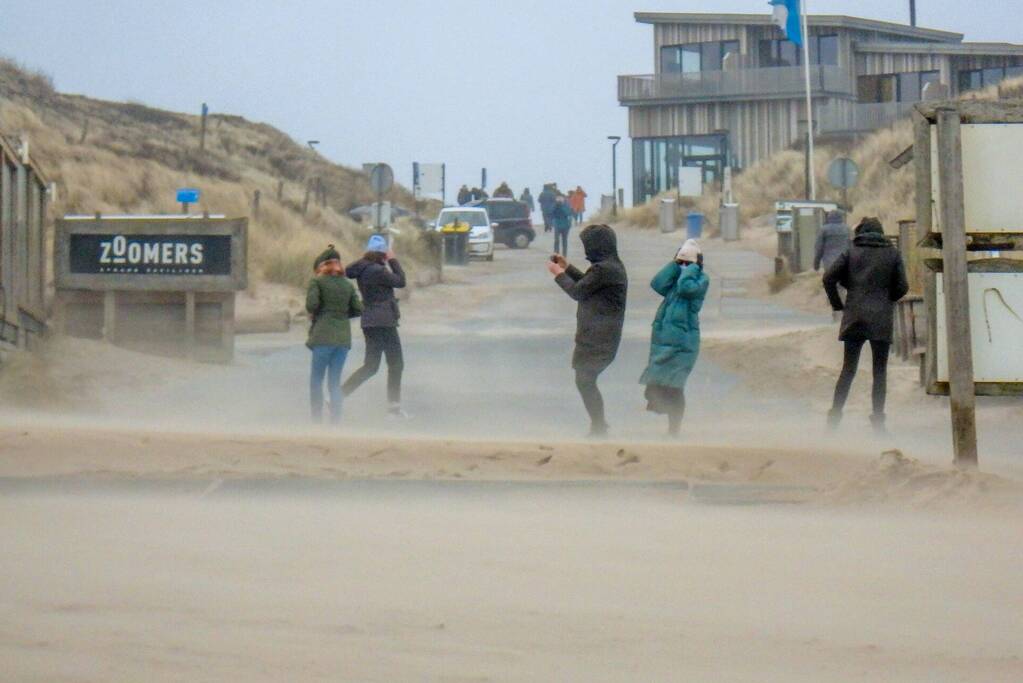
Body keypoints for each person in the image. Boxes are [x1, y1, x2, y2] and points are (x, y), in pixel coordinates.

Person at [823, 217, 909, 433]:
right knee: (879, 372)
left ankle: (834, 418)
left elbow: (828, 278)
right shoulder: (892, 253)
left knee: (848, 370)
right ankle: (878, 422)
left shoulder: (851, 251)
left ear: (861, 232)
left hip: (854, 317)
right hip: (881, 318)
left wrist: (838, 304)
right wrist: (888, 297)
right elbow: (903, 287)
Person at [547, 224, 628, 437]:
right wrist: (568, 268)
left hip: (599, 336)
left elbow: (577, 291)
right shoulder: (610, 266)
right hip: (599, 334)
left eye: (588, 245)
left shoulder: (605, 269)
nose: (586, 251)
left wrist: (558, 274)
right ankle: (599, 426)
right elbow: (589, 283)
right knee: (585, 380)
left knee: (585, 380)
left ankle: (599, 427)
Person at [639, 239, 709, 436]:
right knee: (652, 387)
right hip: (663, 343)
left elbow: (687, 288)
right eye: (681, 263)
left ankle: (674, 430)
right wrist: (675, 263)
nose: (683, 267)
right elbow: (657, 283)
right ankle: (665, 410)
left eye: (688, 263)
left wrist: (691, 268)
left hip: (683, 343)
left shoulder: (700, 280)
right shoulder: (674, 282)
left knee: (674, 387)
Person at [342, 235, 409, 418]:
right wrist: (393, 259)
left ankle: (338, 396)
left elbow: (349, 269)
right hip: (384, 322)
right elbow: (401, 280)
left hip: (370, 322)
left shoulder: (362, 268)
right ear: (382, 253)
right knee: (396, 364)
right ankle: (393, 409)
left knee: (371, 366)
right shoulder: (378, 271)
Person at [306, 245, 363, 424]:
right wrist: (342, 315)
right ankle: (336, 422)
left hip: (323, 336)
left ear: (321, 266)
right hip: (343, 339)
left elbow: (311, 305)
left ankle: (316, 420)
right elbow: (358, 309)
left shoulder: (317, 282)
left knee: (316, 380)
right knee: (334, 383)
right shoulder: (347, 285)